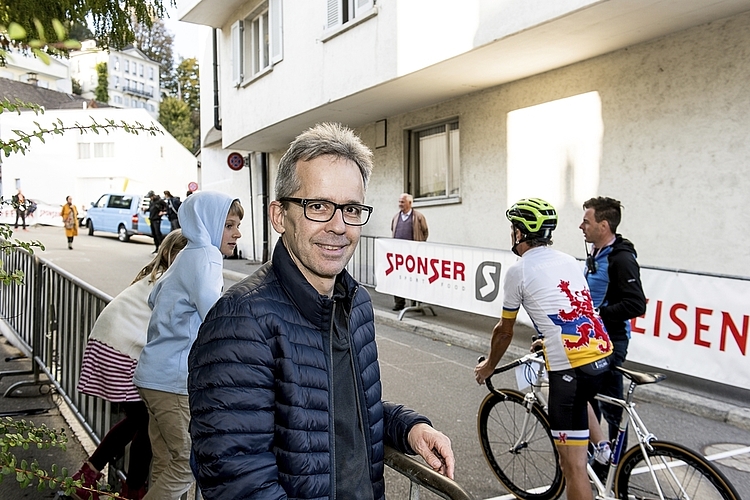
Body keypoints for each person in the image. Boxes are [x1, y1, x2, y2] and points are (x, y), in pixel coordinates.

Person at [188, 123, 454, 500]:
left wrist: (407, 428)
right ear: (280, 216)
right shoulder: (239, 322)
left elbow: (338, 407)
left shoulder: (355, 303)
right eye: (318, 206)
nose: (339, 226)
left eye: (351, 209)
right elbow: (240, 483)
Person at [474, 198, 612, 500]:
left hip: (571, 367)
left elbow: (504, 331)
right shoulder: (568, 260)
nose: (512, 233)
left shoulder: (518, 271)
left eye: (513, 228)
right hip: (601, 354)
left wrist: (489, 366)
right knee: (581, 400)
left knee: (572, 467)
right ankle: (602, 450)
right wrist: (546, 340)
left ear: (521, 233)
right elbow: (574, 310)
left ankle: (594, 464)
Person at [133, 191, 243, 500]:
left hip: (153, 375)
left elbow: (155, 297)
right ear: (208, 223)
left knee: (166, 461)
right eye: (230, 225)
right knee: (185, 465)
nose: (237, 233)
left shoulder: (187, 253)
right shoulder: (206, 255)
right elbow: (214, 316)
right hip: (174, 381)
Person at [71, 230, 188, 500]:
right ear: (173, 254)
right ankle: (129, 487)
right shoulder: (172, 282)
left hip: (110, 346)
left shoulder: (155, 276)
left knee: (140, 420)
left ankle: (94, 476)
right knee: (148, 421)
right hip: (121, 352)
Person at [580, 197, 646, 445]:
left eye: (586, 221)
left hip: (610, 341)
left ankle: (615, 468)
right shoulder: (597, 252)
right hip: (591, 339)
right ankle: (600, 457)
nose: (581, 226)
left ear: (603, 225)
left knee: (610, 407)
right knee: (589, 400)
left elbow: (636, 304)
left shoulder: (621, 258)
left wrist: (598, 313)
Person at [390, 192, 429, 310]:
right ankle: (399, 303)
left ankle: (415, 303)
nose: (400, 204)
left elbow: (425, 232)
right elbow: (393, 230)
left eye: (402, 202)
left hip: (413, 254)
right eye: (399, 201)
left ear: (410, 203)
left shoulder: (418, 217)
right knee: (398, 278)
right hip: (399, 255)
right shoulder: (396, 217)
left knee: (414, 278)